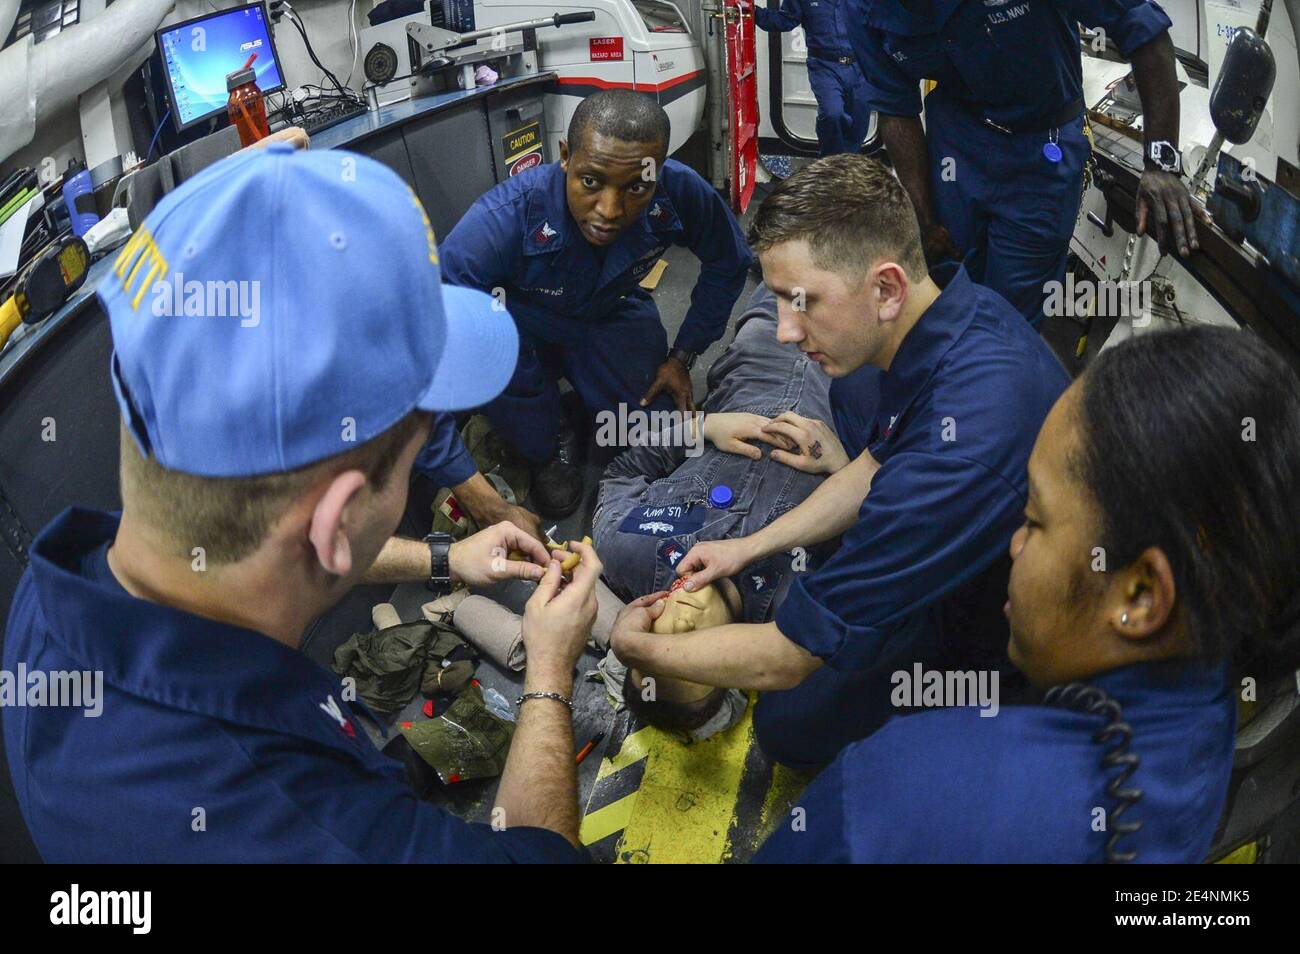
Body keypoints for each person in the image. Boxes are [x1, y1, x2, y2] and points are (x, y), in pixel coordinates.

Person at [1, 144, 610, 862]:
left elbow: (278, 539)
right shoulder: (316, 829)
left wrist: (446, 556)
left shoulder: (66, 591)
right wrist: (547, 673)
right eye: (419, 458)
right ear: (334, 523)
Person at [755, 326, 1300, 862]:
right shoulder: (1208, 709)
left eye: (1036, 521)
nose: (1016, 543)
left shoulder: (900, 796)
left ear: (1140, 596)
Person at [611, 154, 1070, 768]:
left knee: (789, 730)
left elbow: (788, 655)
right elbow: (877, 462)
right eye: (775, 300)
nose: (784, 331)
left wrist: (642, 653)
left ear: (885, 288)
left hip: (1002, 623)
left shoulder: (953, 458)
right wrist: (745, 549)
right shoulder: (962, 316)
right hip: (959, 515)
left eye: (802, 302)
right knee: (854, 393)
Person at [378, 88, 752, 539]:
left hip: (611, 310)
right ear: (564, 158)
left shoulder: (680, 190)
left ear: (657, 172)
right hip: (514, 324)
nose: (610, 211)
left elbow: (728, 261)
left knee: (652, 427)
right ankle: (545, 430)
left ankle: (580, 392)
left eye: (636, 186)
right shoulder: (501, 221)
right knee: (531, 434)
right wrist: (477, 494)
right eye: (590, 181)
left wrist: (684, 355)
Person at [847, 0, 1198, 327]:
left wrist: (1162, 165)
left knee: (1012, 315)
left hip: (1041, 148)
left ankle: (1002, 378)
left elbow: (1143, 28)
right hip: (956, 141)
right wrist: (923, 220)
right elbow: (896, 107)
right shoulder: (863, 8)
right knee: (947, 285)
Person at [592, 283, 835, 626]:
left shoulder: (630, 551)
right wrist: (845, 466)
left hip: (755, 366)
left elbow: (622, 473)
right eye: (689, 658)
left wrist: (704, 427)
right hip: (855, 392)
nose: (680, 626)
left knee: (796, 270)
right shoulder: (802, 609)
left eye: (659, 638)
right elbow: (892, 530)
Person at [750, 0, 872, 156]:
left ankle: (849, 164)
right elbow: (784, 20)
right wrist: (751, 11)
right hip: (824, 66)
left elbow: (880, 21)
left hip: (860, 66)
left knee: (859, 122)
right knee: (831, 113)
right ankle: (830, 164)